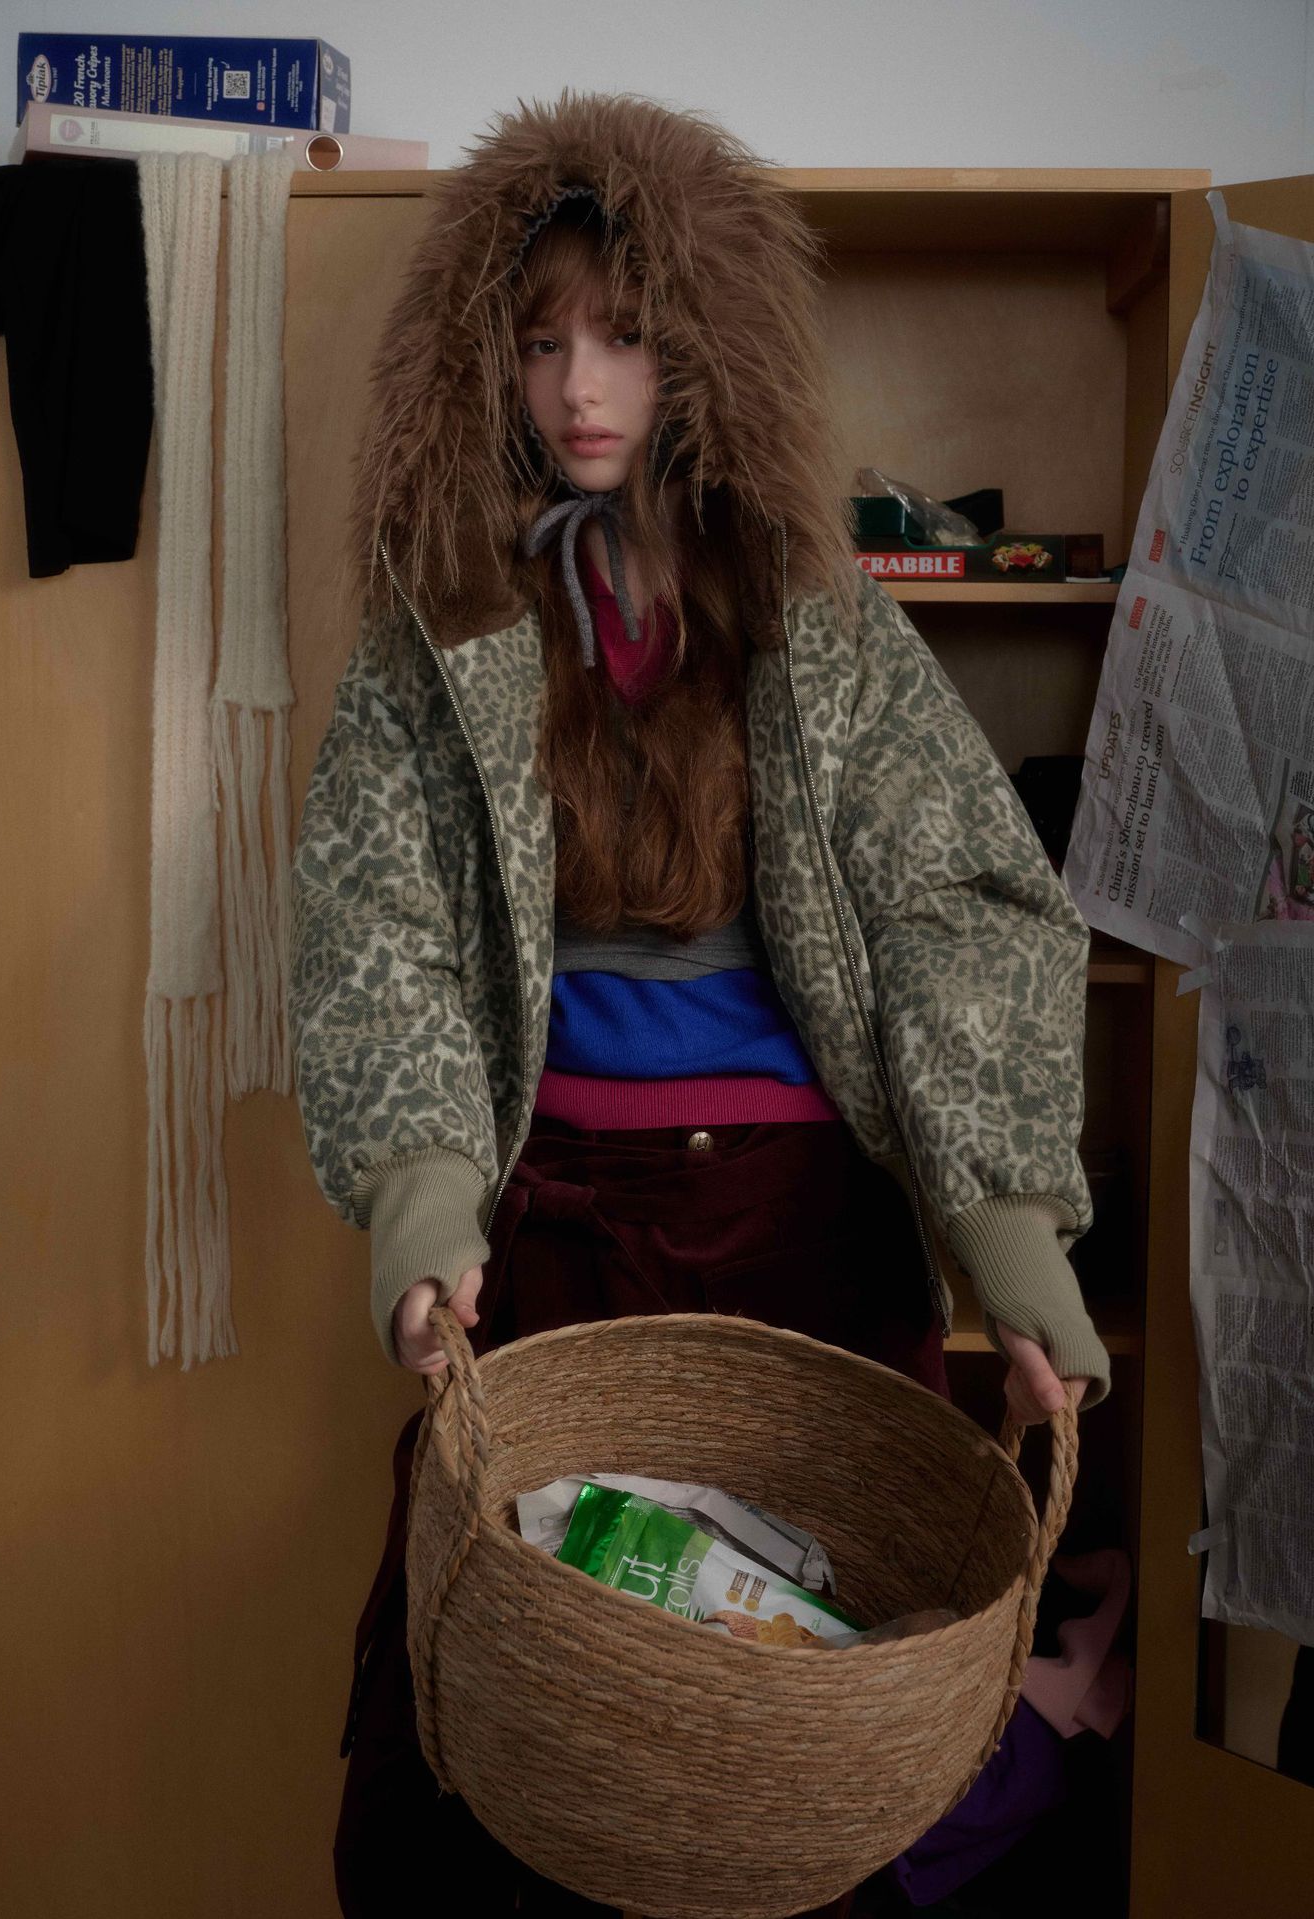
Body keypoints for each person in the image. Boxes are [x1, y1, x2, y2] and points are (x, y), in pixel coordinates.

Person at [290, 89, 1111, 1919]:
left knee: (794, 1744)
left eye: (628, 336)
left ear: (704, 351)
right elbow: (373, 918)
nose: (582, 385)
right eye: (541, 342)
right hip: (546, 1233)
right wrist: (423, 1205)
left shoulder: (818, 618)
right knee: (476, 1749)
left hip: (798, 1228)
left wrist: (1009, 1239)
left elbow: (958, 908)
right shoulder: (449, 628)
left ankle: (1044, 1713)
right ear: (485, 364)